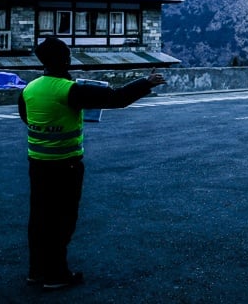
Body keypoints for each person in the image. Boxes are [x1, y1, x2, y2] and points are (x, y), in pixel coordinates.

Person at [17, 36, 166, 291]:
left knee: (40, 219)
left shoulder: (29, 89)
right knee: (62, 220)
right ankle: (56, 275)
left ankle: (36, 271)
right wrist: (147, 82)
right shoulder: (71, 90)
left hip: (38, 164)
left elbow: (27, 118)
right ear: (65, 59)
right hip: (66, 165)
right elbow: (117, 98)